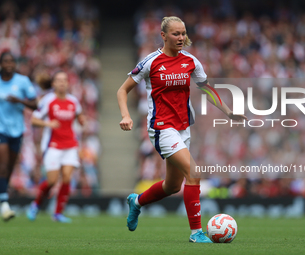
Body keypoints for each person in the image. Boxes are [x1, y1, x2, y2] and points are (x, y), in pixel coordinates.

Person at [117, 16, 247, 243]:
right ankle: (196, 232)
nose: (180, 38)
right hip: (161, 128)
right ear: (163, 35)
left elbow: (207, 89)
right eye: (176, 34)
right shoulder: (151, 62)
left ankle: (136, 202)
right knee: (194, 174)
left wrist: (229, 112)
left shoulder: (191, 61)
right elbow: (122, 90)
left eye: (183, 33)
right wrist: (126, 115)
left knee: (172, 186)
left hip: (183, 128)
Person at [26, 71, 85, 223]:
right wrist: (48, 123)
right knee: (52, 181)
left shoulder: (73, 101)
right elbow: (34, 120)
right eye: (58, 80)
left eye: (64, 80)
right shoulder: (47, 101)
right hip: (53, 144)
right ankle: (36, 204)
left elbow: (80, 116)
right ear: (53, 84)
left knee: (66, 177)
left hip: (70, 144)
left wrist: (84, 121)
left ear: (67, 83)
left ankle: (58, 213)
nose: (62, 83)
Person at [0, 51, 37, 222]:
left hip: (17, 130)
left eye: (11, 61)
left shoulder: (22, 82)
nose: (8, 64)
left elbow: (35, 104)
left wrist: (20, 101)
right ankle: (5, 204)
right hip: (1, 130)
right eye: (5, 61)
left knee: (8, 168)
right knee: (3, 164)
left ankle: (2, 197)